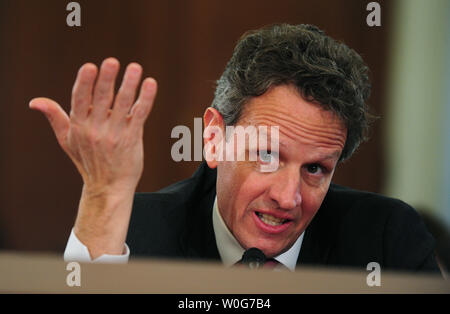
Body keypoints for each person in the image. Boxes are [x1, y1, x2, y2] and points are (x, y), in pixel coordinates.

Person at [30, 24, 439, 272]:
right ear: (213, 139)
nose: (287, 197)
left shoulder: (386, 242)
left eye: (315, 169)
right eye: (266, 155)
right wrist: (104, 196)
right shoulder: (135, 235)